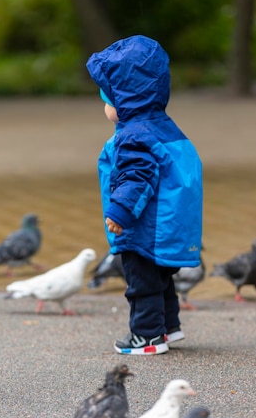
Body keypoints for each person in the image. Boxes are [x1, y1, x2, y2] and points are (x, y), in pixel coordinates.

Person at [86, 35, 203, 355]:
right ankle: (168, 327)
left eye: (107, 99)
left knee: (141, 283)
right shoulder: (161, 125)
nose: (105, 106)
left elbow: (138, 175)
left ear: (125, 100)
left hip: (145, 224)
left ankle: (147, 337)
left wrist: (120, 212)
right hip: (166, 222)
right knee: (161, 280)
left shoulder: (134, 135)